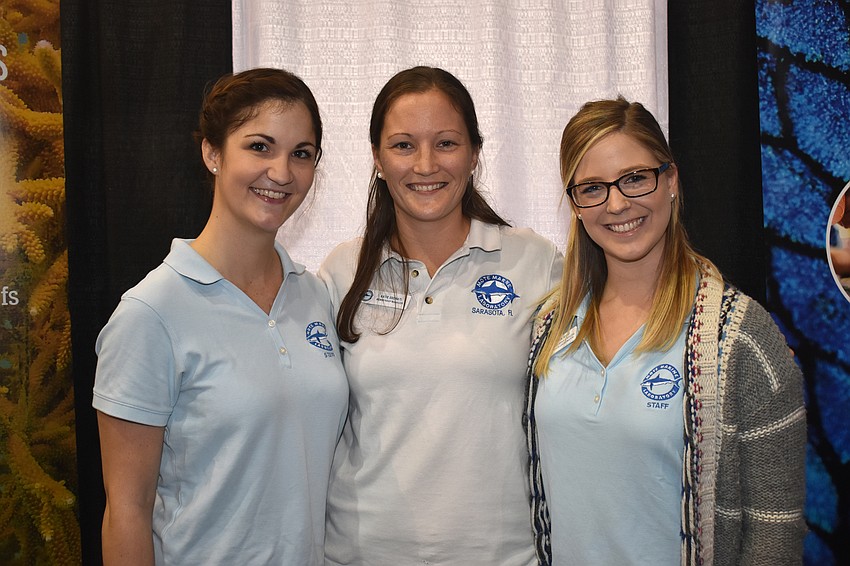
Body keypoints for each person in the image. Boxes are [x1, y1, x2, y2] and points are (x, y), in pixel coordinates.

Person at [524, 97, 807, 565]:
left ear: (670, 181)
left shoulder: (739, 339)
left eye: (635, 178)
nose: (617, 204)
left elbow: (774, 532)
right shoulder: (549, 328)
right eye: (592, 187)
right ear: (574, 204)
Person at [93, 68, 348, 565]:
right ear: (212, 153)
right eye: (259, 146)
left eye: (301, 153)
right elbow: (126, 510)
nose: (281, 172)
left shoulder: (314, 296)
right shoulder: (151, 313)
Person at [318, 66, 562, 565]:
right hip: (361, 555)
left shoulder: (535, 263)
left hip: (503, 555)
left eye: (446, 143)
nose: (425, 165)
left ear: (475, 153)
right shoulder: (341, 272)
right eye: (404, 145)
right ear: (377, 159)